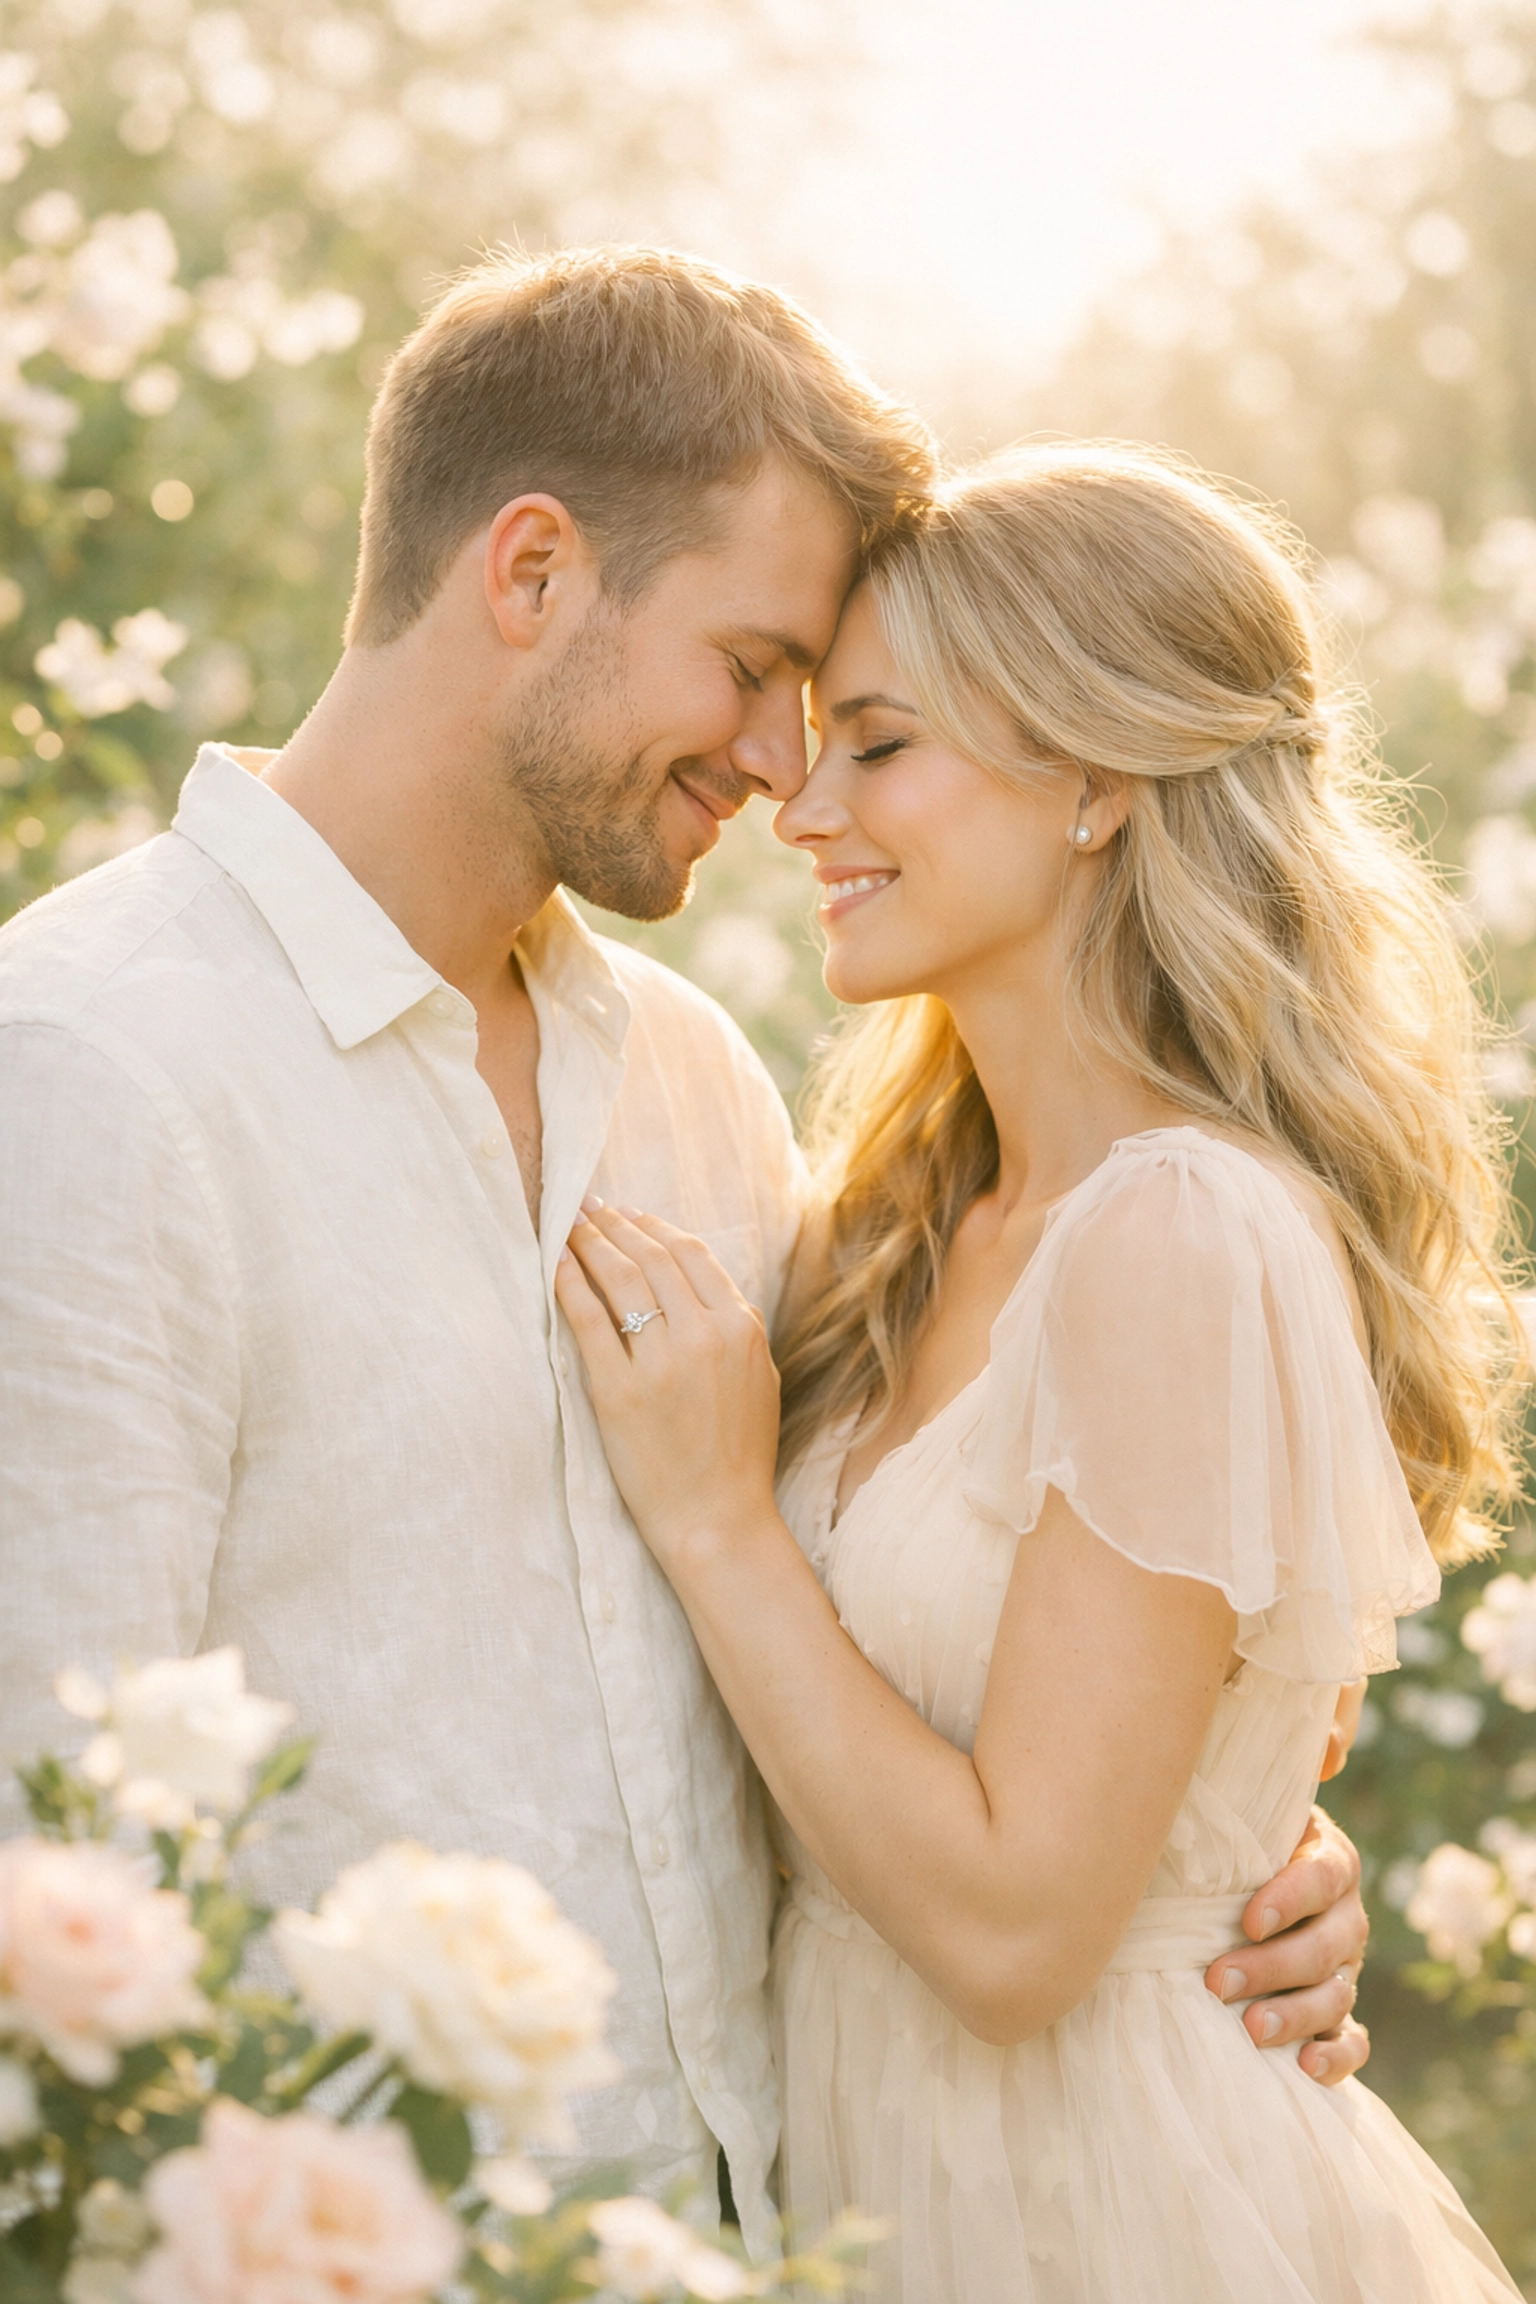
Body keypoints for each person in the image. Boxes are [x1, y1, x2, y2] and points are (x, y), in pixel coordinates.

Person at [0, 253, 1369, 2251]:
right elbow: (49, 1867)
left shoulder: (693, 1086)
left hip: (784, 2246)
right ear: (533, 570)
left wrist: (1218, 1841)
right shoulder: (93, 1070)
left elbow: (961, 1569)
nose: (775, 763)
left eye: (840, 718)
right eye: (750, 666)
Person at [555, 443, 1528, 2298]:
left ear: (1093, 781)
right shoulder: (886, 1227)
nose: (802, 801)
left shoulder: (1182, 1236)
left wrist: (717, 1519)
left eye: (880, 743)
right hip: (877, 2186)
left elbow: (1016, 1937)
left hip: (1111, 2206)